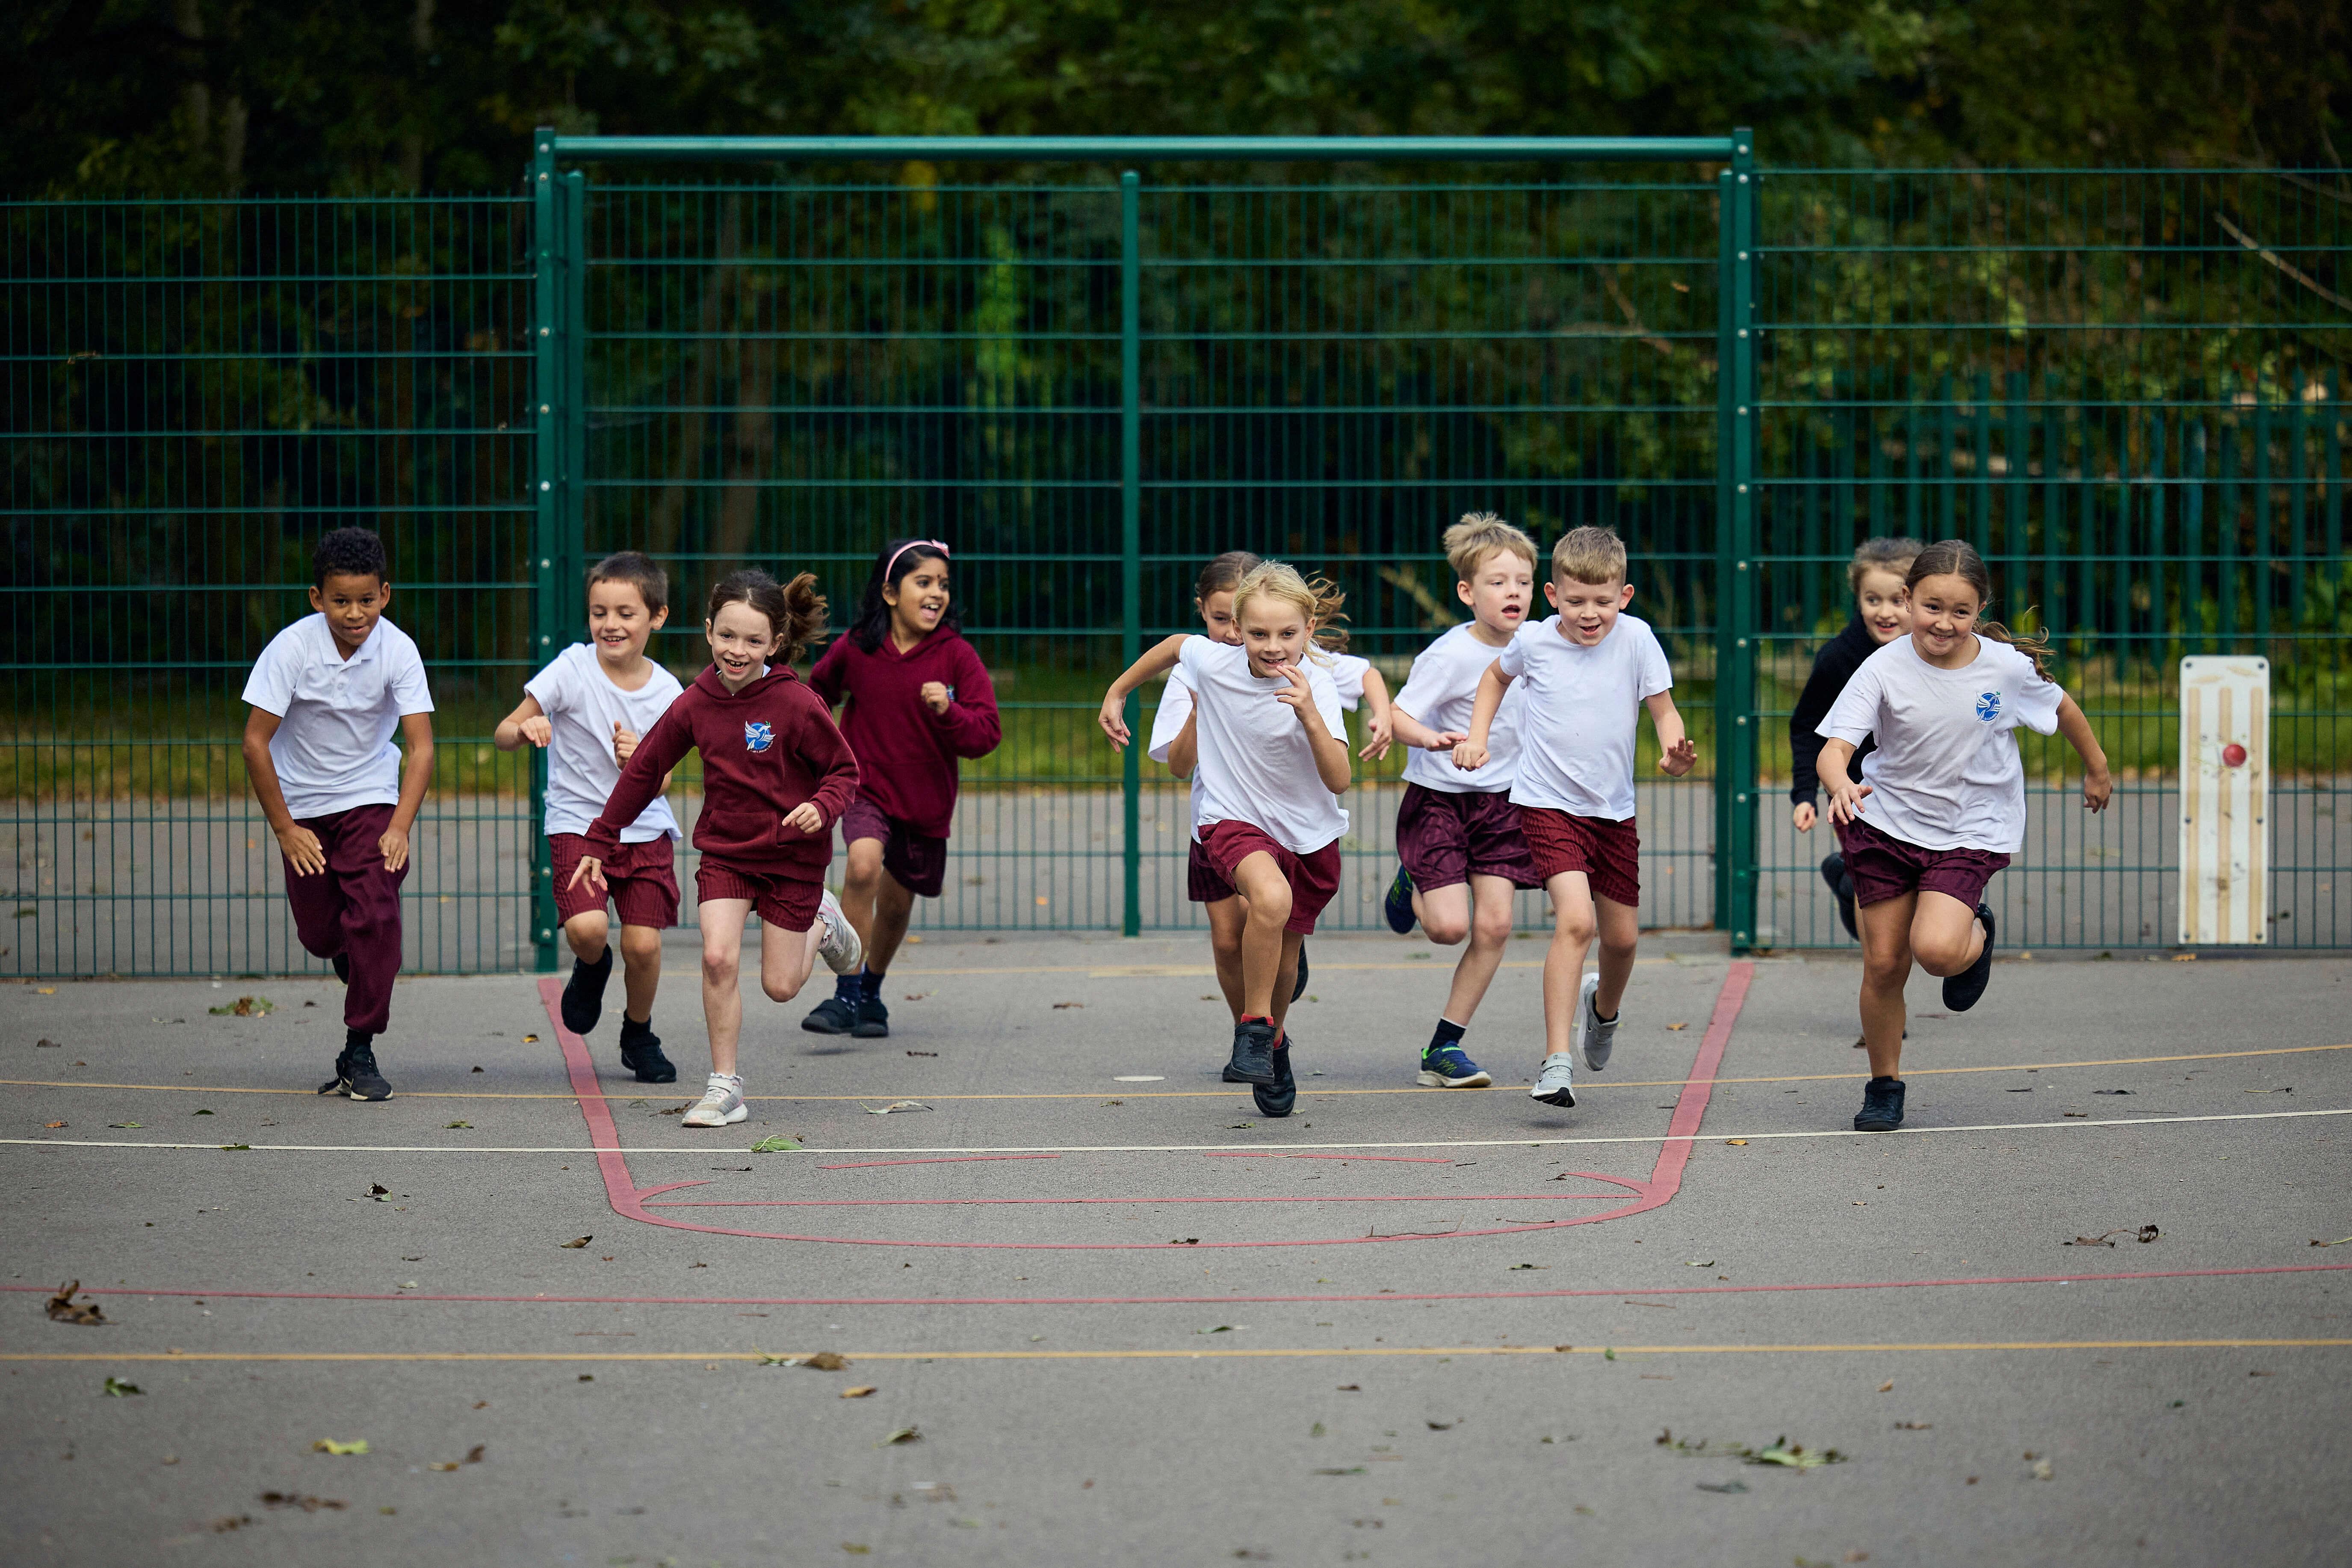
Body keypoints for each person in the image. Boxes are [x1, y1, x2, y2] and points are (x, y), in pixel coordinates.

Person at [1817, 538, 2113, 1132]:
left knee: (1937, 952)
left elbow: (2063, 709)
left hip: (1970, 827)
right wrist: (1840, 783)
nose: (1943, 623)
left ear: (1980, 609)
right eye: (1932, 607)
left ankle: (1976, 930)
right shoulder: (1882, 667)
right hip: (1886, 826)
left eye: (1960, 611)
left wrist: (2097, 767)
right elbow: (1834, 749)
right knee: (1884, 963)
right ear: (1908, 600)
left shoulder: (2004, 668)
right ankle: (1884, 1086)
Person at [570, 569, 865, 1128]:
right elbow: (646, 768)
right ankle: (725, 1085)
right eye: (727, 635)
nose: (737, 650)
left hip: (792, 858)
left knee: (781, 986)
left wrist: (822, 806)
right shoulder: (696, 701)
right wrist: (602, 835)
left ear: (775, 644)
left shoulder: (797, 703)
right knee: (717, 957)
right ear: (708, 631)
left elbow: (844, 772)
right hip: (727, 853)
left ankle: (823, 922)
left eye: (753, 640)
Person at [1455, 526, 1697, 1109]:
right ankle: (1556, 1062)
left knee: (1622, 939)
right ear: (1553, 594)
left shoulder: (1637, 639)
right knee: (1576, 921)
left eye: (1603, 601)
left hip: (1612, 809)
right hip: (1546, 804)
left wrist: (1674, 748)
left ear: (1625, 595)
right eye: (1577, 601)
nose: (1591, 614)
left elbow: (1663, 710)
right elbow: (1494, 678)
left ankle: (1602, 1010)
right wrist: (1477, 735)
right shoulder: (1534, 641)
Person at [1099, 562, 1352, 1116]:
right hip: (1232, 819)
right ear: (1237, 629)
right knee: (1271, 899)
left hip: (1307, 834)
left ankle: (1274, 1042)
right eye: (1258, 633)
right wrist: (1117, 692)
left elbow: (1339, 780)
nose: (1273, 646)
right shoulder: (1213, 662)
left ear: (1309, 628)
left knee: (1286, 958)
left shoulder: (1318, 684)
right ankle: (1254, 1027)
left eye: (1287, 633)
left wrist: (1310, 715)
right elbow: (1174, 646)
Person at [239, 527, 435, 1103]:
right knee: (323, 935)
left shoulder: (398, 650)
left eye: (367, 599)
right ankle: (352, 952)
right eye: (341, 600)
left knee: (376, 914)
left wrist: (399, 826)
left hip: (370, 798)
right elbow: (254, 743)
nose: (355, 613)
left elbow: (421, 747)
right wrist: (285, 828)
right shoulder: (292, 649)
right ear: (317, 598)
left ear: (385, 594)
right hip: (303, 809)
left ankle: (359, 1047)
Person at [495, 550, 685, 1083]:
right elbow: (503, 732)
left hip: (644, 830)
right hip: (578, 823)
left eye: (626, 613)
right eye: (599, 612)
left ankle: (638, 1033)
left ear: (657, 616)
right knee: (588, 929)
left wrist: (640, 762)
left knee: (643, 945)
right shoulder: (572, 668)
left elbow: (666, 781)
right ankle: (593, 964)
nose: (610, 624)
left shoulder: (669, 692)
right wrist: (525, 730)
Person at [801, 539, 1001, 1039]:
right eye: (924, 582)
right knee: (862, 866)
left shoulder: (956, 656)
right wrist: (816, 747)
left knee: (895, 905)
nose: (937, 593)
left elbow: (986, 734)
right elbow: (816, 694)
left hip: (925, 803)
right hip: (865, 787)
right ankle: (846, 992)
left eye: (943, 585)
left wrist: (949, 711)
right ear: (890, 593)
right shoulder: (857, 647)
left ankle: (871, 990)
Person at [1380, 513, 1543, 1089]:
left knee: (1495, 926)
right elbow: (1397, 714)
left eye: (1523, 581)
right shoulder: (1449, 655)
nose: (1513, 592)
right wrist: (1429, 738)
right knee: (1449, 928)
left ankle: (1444, 1047)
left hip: (1505, 805)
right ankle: (1412, 878)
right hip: (1441, 801)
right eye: (1498, 582)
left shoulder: (1542, 644)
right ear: (1468, 592)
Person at [1788, 536, 1922, 940]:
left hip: (1920, 791)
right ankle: (1853, 885)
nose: (1885, 612)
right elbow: (1808, 727)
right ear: (1858, 599)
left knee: (1914, 893)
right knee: (1881, 912)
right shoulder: (1837, 659)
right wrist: (1805, 795)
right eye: (1872, 600)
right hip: (1856, 795)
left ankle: (1846, 880)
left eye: (1897, 601)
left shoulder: (1936, 654)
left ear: (1916, 599)